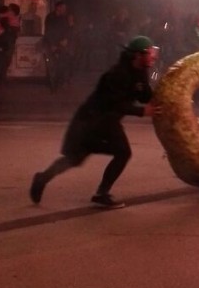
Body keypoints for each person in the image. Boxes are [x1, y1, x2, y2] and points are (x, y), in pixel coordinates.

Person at [29, 36, 157, 209]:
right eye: (149, 53)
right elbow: (114, 103)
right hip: (92, 120)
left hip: (107, 121)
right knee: (83, 157)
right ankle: (95, 192)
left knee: (106, 154)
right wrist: (141, 112)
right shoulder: (116, 74)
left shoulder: (140, 72)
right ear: (137, 55)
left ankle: (96, 191)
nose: (153, 56)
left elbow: (144, 95)